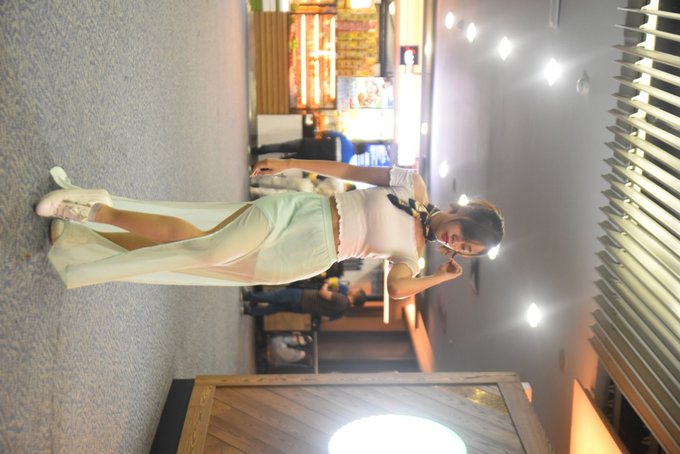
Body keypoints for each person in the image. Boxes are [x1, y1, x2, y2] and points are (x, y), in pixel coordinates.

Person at [35, 159, 504, 295]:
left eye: (465, 249)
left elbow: (399, 290)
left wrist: (438, 278)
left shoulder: (414, 258)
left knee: (196, 251)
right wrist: (290, 163)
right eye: (464, 234)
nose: (456, 243)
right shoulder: (412, 185)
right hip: (305, 213)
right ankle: (97, 211)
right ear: (463, 212)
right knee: (207, 249)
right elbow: (350, 171)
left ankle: (86, 232)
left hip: (305, 257)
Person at [242, 280, 367, 319]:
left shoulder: (342, 299)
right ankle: (249, 311)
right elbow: (326, 317)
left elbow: (323, 293)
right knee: (275, 308)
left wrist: (327, 284)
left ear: (356, 295)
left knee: (275, 296)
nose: (353, 288)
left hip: (303, 297)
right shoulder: (343, 312)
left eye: (356, 290)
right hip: (303, 308)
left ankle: (249, 296)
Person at [250, 130, 359, 164]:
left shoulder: (344, 139)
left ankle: (256, 151)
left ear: (357, 144)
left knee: (282, 146)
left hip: (308, 144)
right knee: (282, 163)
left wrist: (319, 138)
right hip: (309, 158)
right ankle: (257, 167)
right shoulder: (345, 161)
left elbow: (327, 133)